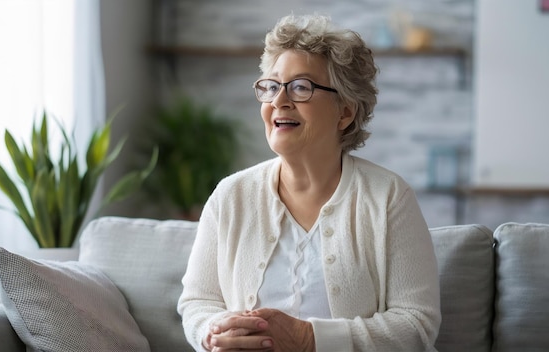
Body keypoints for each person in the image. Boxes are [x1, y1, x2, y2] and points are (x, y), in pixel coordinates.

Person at [177, 13, 441, 352]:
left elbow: (417, 324)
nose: (278, 101)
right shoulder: (231, 195)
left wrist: (308, 340)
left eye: (301, 87)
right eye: (271, 86)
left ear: (345, 112)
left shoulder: (388, 197)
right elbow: (197, 302)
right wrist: (212, 333)